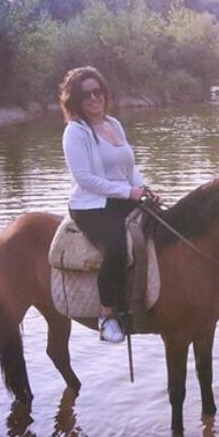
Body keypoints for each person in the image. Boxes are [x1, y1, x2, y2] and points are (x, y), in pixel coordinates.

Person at [59, 66, 157, 343]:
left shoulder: (114, 124)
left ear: (104, 92)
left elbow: (129, 168)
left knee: (165, 223)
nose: (93, 98)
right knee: (116, 248)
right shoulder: (75, 133)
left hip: (121, 197)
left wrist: (144, 188)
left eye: (97, 91)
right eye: (86, 94)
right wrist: (129, 193)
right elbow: (86, 179)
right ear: (76, 100)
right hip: (91, 205)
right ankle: (107, 315)